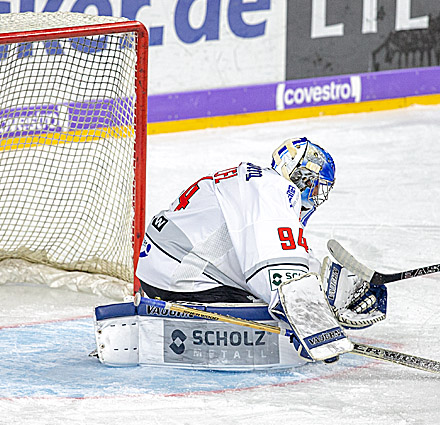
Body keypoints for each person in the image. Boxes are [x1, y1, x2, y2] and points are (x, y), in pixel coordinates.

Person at [135, 137, 388, 361]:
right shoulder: (274, 188)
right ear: (299, 175)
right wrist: (310, 320)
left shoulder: (254, 182)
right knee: (270, 305)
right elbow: (276, 266)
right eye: (315, 186)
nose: (316, 197)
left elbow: (282, 249)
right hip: (183, 279)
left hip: (161, 269)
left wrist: (331, 291)